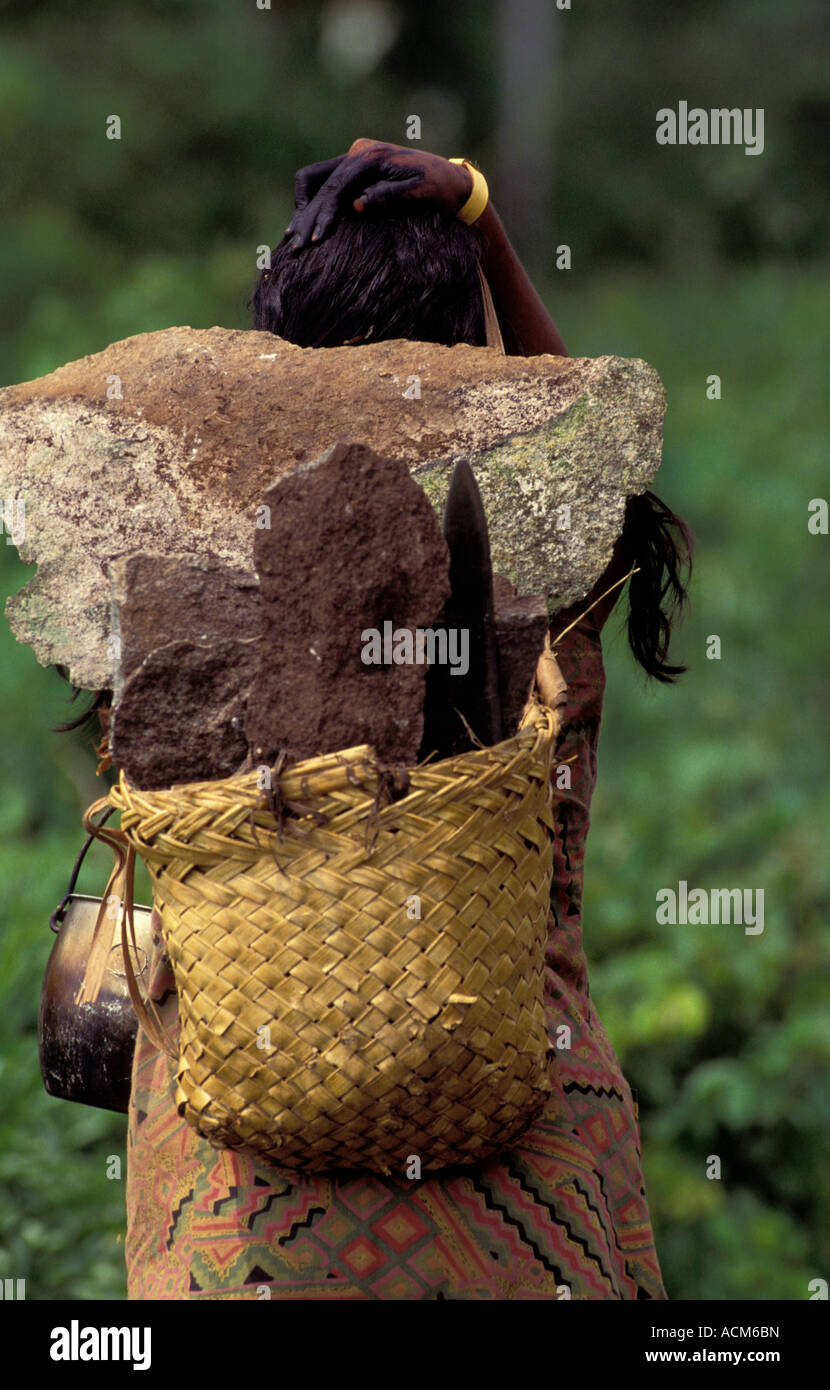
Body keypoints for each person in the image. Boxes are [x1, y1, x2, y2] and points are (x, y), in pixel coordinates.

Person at [68, 141, 693, 1299]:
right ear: (466, 356)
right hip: (515, 1183)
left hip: (242, 1208)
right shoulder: (530, 562)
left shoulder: (192, 568)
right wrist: (484, 222)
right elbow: (604, 450)